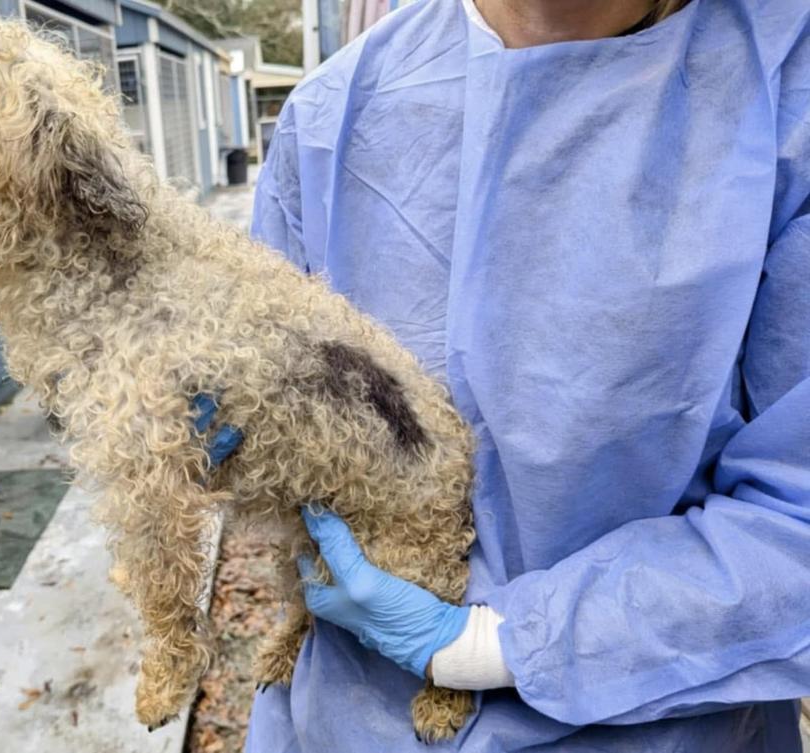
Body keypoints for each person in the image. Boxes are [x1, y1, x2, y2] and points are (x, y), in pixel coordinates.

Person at [247, 0, 810, 750]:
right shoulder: (334, 114)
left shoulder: (784, 97)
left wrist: (491, 645)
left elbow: (795, 518)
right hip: (350, 718)